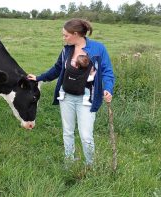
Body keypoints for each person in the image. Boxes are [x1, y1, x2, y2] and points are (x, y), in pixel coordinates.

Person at [27, 18, 115, 166]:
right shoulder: (66, 50)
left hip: (87, 98)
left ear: (76, 34)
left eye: (66, 35)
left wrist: (108, 88)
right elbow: (57, 69)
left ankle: (90, 166)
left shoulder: (98, 49)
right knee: (67, 132)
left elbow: (107, 71)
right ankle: (69, 162)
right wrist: (39, 78)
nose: (64, 38)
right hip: (66, 96)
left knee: (86, 135)